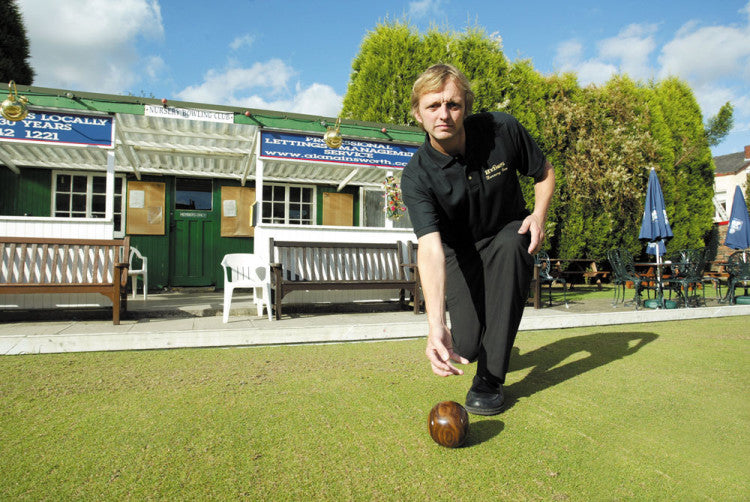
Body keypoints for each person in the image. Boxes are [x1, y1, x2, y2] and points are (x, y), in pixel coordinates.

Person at [401, 63, 555, 415]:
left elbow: (544, 172)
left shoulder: (501, 129)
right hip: (460, 254)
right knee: (466, 347)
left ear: (465, 107)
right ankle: (488, 348)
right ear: (417, 113)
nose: (444, 115)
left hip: (505, 234)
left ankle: (489, 379)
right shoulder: (416, 177)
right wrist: (435, 325)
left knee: (516, 242)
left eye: (453, 104)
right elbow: (430, 248)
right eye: (433, 106)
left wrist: (538, 216)